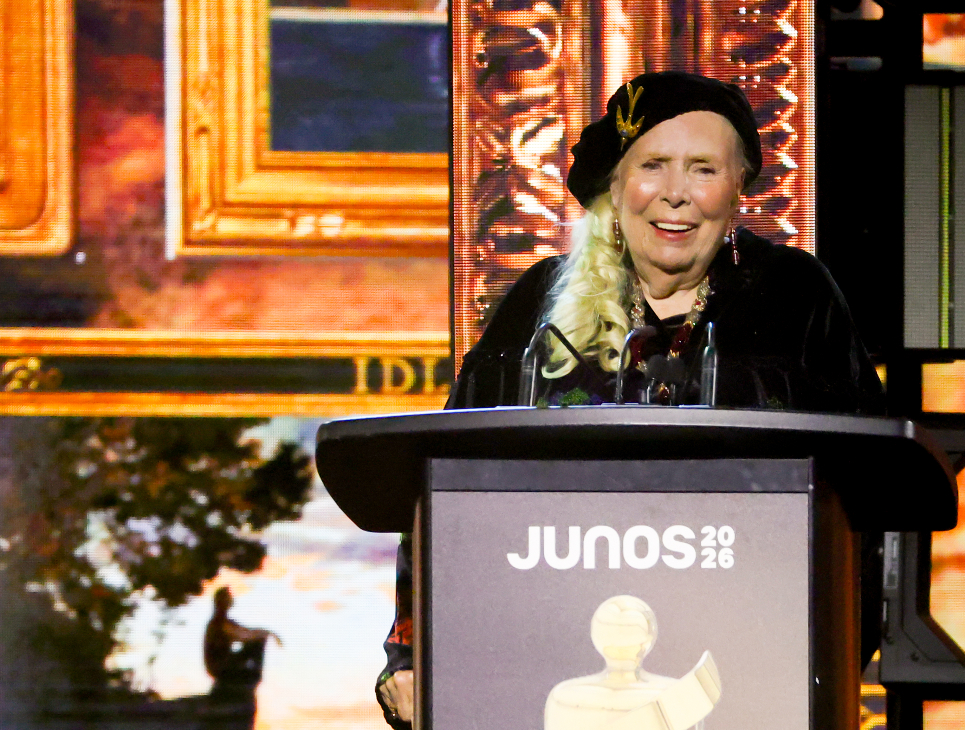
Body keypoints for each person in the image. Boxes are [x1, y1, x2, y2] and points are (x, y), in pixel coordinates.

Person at [374, 70, 885, 728]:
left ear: (738, 190)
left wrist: (831, 656)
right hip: (541, 669)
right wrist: (411, 656)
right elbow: (443, 491)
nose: (675, 194)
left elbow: (869, 506)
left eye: (703, 169)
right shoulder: (539, 307)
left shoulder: (797, 299)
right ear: (615, 185)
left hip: (756, 673)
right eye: (653, 165)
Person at [203, 587, 282, 730]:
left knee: (258, 640)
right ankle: (253, 674)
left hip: (225, 664)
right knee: (258, 641)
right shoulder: (219, 623)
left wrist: (265, 633)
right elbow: (245, 635)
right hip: (221, 667)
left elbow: (246, 633)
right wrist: (268, 633)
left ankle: (251, 674)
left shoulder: (223, 622)